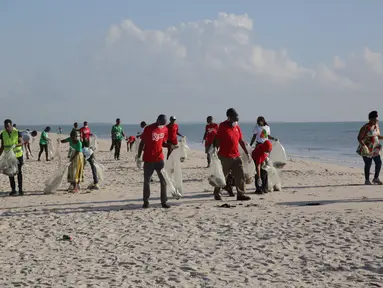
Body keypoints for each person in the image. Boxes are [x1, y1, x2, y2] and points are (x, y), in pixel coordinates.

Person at [213, 108, 251, 201]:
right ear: (229, 118)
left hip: (236, 155)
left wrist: (247, 153)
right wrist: (214, 151)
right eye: (234, 119)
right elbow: (217, 139)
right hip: (224, 156)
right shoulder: (222, 126)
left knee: (240, 175)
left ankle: (241, 194)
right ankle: (217, 193)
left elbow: (240, 141)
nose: (236, 121)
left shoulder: (237, 127)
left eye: (237, 119)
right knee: (222, 176)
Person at [137, 114, 174, 209]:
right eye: (161, 123)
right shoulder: (148, 129)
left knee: (163, 180)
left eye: (164, 124)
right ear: (157, 120)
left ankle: (164, 201)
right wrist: (138, 156)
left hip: (159, 159)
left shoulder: (165, 129)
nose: (162, 125)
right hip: (149, 159)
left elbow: (163, 143)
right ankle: (146, 201)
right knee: (147, 181)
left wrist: (170, 146)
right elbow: (142, 143)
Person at [357, 111, 383, 185]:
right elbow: (359, 138)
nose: (376, 121)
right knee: (368, 164)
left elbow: (377, 136)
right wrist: (364, 146)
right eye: (375, 119)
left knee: (379, 163)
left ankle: (376, 178)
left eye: (377, 120)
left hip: (375, 148)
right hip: (367, 148)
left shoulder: (376, 127)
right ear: (370, 119)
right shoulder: (365, 127)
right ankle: (367, 180)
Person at [0, 119, 24, 196]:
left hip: (18, 155)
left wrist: (15, 145)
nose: (7, 128)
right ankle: (13, 189)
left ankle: (20, 189)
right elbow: (2, 146)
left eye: (8, 126)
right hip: (9, 156)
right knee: (11, 173)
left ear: (11, 125)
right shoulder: (3, 134)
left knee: (19, 172)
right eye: (5, 126)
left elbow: (21, 142)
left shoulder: (17, 132)